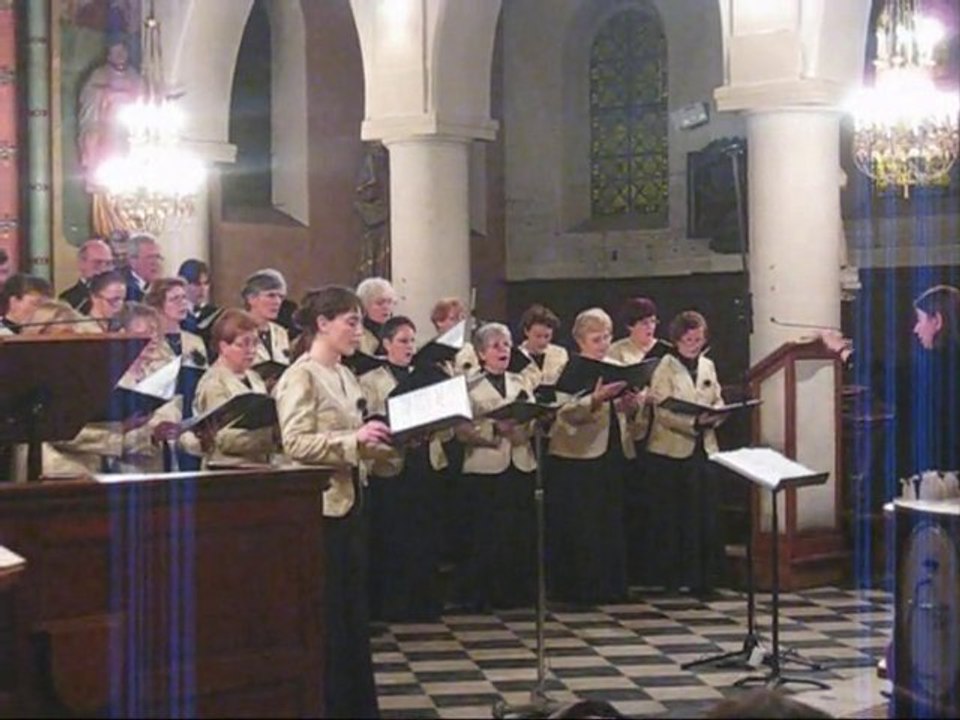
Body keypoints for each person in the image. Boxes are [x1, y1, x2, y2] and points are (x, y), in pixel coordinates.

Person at [274, 286, 393, 719]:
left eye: (360, 322)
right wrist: (353, 439)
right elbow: (295, 442)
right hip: (320, 509)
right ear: (322, 324)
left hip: (351, 500)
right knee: (327, 615)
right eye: (351, 322)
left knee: (351, 615)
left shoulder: (345, 374)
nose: (359, 331)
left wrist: (388, 440)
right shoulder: (300, 375)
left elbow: (358, 437)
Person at [547, 308, 641, 604]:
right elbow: (563, 414)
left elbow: (623, 411)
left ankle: (611, 585)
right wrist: (595, 399)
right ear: (580, 340)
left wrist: (630, 404)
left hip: (611, 448)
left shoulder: (615, 365)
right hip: (578, 455)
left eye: (606, 337)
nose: (602, 344)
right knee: (583, 522)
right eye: (596, 338)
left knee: (609, 520)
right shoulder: (572, 369)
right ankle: (581, 587)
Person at [360, 316, 445, 621]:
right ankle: (393, 604)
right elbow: (369, 421)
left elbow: (447, 422)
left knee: (425, 533)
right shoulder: (371, 380)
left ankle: (425, 602)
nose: (409, 347)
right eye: (402, 341)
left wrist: (433, 427)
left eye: (412, 340)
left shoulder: (427, 374)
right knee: (394, 536)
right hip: (391, 464)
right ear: (386, 343)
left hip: (426, 459)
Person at [455, 322, 537, 610]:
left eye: (507, 344)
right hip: (485, 465)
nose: (503, 350)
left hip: (520, 460)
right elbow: (461, 429)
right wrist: (493, 429)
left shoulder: (521, 381)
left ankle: (516, 591)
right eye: (495, 346)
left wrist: (527, 424)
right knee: (487, 533)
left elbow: (533, 415)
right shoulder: (468, 386)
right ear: (480, 353)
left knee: (518, 531)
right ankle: (482, 594)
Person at [646, 310, 726, 595]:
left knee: (704, 514)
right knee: (676, 517)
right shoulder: (664, 368)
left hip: (704, 448)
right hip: (671, 451)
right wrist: (693, 422)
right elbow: (662, 411)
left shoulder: (708, 365)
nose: (694, 344)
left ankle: (704, 579)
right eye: (689, 339)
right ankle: (673, 577)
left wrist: (717, 414)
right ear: (677, 340)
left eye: (699, 339)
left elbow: (716, 397)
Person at [607, 296, 671, 586]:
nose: (650, 327)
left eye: (653, 321)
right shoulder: (617, 351)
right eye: (644, 322)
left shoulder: (665, 353)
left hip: (663, 429)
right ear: (630, 325)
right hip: (630, 430)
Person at [77, 33, 144, 236]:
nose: (120, 55)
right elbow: (89, 99)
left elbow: (144, 98)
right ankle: (107, 229)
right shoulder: (99, 76)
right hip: (106, 135)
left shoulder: (134, 76)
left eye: (123, 51)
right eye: (115, 51)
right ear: (109, 54)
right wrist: (108, 95)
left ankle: (128, 225)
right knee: (104, 181)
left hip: (129, 135)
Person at [192, 309, 277, 468]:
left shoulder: (254, 377)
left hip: (260, 467)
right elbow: (221, 438)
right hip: (227, 471)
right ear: (223, 346)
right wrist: (271, 437)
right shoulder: (214, 383)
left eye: (255, 343)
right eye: (243, 344)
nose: (251, 350)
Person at [242, 269, 291, 382]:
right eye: (271, 295)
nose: (277, 301)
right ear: (251, 299)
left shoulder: (281, 332)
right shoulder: (237, 329)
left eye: (281, 297)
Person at [517, 303, 569, 394]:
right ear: (526, 331)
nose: (542, 342)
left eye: (547, 336)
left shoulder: (560, 354)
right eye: (538, 336)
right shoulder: (515, 356)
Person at [59, 238, 115, 312]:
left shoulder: (125, 295)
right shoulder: (67, 301)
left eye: (108, 263)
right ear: (81, 263)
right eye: (97, 262)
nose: (104, 269)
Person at [177, 259, 220, 344]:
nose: (202, 289)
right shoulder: (176, 314)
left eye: (206, 283)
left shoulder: (216, 314)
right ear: (183, 284)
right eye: (197, 284)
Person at [356, 276, 396, 356]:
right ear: (365, 305)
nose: (386, 307)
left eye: (389, 302)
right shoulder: (357, 335)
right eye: (380, 303)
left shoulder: (396, 332)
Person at [122, 234, 164, 301]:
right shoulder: (125, 289)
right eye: (150, 257)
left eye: (158, 257)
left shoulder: (162, 287)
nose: (156, 263)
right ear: (133, 261)